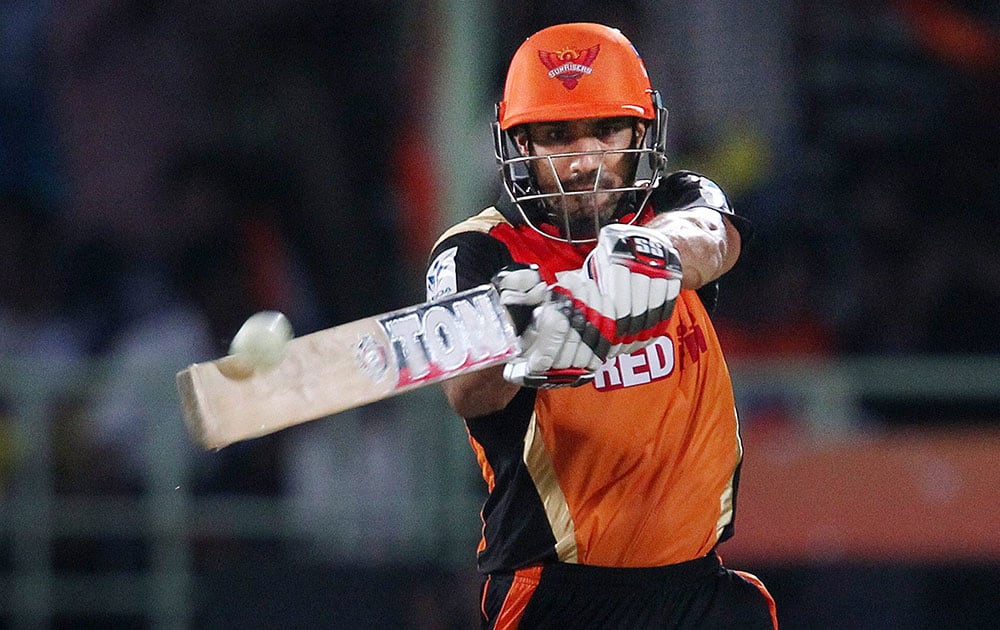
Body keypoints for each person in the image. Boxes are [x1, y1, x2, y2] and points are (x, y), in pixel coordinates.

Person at [425, 23, 777, 628]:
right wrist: (528, 349)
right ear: (520, 146)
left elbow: (714, 239)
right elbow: (465, 389)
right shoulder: (478, 251)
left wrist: (637, 261)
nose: (585, 160)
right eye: (557, 136)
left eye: (606, 130)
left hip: (702, 594)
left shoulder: (676, 201)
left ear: (642, 132)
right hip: (559, 599)